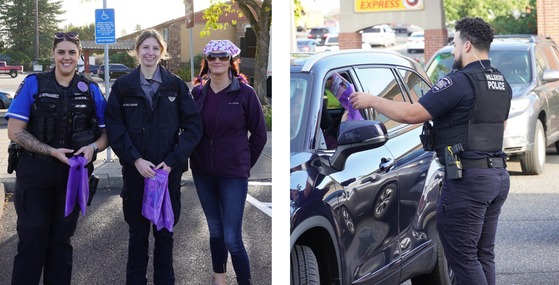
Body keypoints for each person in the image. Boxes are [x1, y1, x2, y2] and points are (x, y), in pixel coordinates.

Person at [349, 17, 512, 285]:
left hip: (468, 182)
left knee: (463, 257)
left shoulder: (459, 82)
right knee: (483, 255)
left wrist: (372, 101)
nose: (454, 50)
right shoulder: (500, 82)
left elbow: (414, 113)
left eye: (456, 44)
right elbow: (500, 127)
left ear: (468, 45)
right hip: (496, 177)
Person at [5, 31, 108, 285]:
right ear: (53, 54)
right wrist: (50, 151)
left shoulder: (91, 89)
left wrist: (93, 148)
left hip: (72, 179)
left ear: (79, 55)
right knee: (32, 243)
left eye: (72, 52)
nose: (66, 57)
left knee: (61, 244)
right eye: (61, 51)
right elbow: (15, 131)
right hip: (36, 174)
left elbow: (106, 134)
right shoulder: (34, 84)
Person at [104, 29, 202, 284]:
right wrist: (135, 159)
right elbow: (115, 127)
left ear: (162, 52)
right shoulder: (124, 87)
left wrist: (172, 161)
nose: (150, 52)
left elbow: (193, 127)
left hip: (166, 175)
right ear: (137, 51)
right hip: (136, 172)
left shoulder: (175, 85)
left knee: (164, 234)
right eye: (145, 48)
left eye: (155, 48)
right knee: (137, 234)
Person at [190, 40, 267, 285]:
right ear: (206, 62)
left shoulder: (245, 93)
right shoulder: (198, 93)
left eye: (222, 57)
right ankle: (219, 279)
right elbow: (191, 130)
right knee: (215, 231)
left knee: (232, 237)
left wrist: (243, 163)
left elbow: (259, 135)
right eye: (212, 57)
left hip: (233, 175)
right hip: (203, 172)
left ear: (231, 61)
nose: (217, 61)